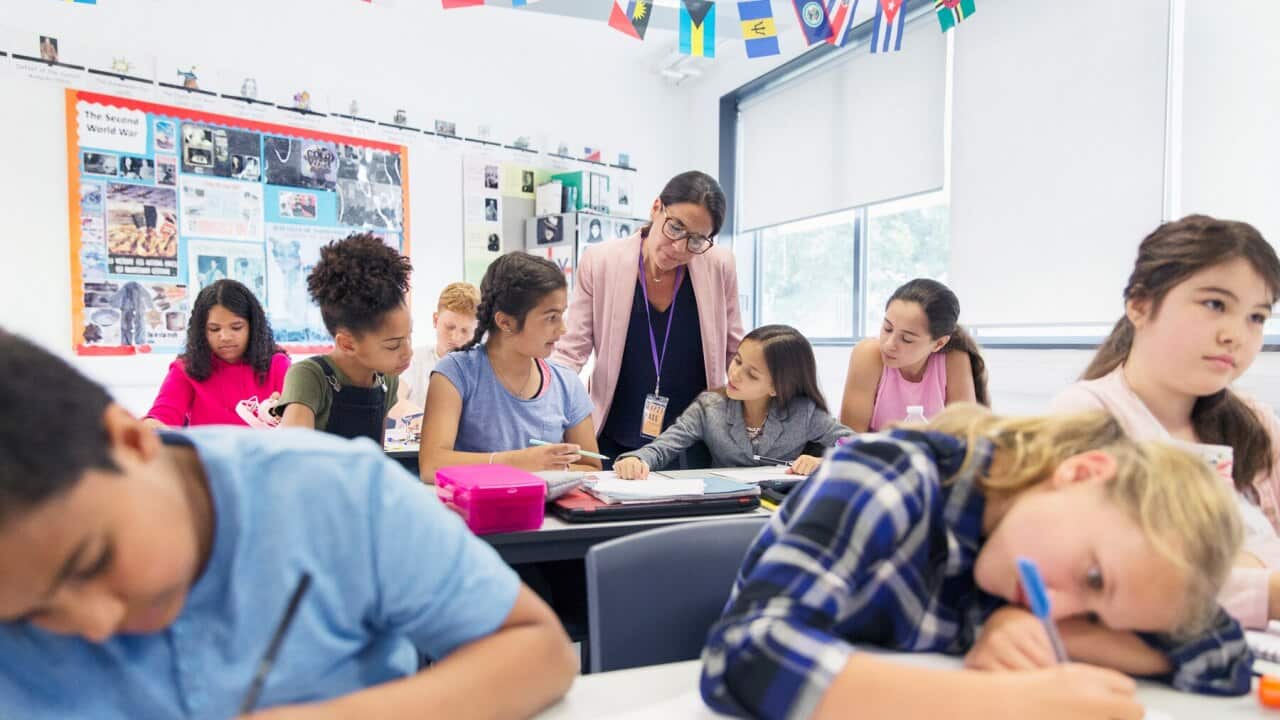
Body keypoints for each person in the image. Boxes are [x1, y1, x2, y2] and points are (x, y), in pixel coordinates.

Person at [0, 328, 577, 718]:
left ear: (130, 440)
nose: (94, 623)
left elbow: (535, 647)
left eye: (94, 561)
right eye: (28, 617)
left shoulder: (335, 495)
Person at [701, 405, 1252, 720]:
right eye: (1091, 578)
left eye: (1097, 616)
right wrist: (1013, 703)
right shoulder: (893, 473)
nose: (1060, 608)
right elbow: (746, 657)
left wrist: (1032, 626)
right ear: (1082, 473)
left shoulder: (1023, 557)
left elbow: (1223, 654)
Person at [1052, 214, 1280, 629]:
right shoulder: (1086, 417)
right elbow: (1096, 581)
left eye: (1257, 317)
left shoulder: (1258, 424)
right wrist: (1264, 591)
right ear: (1140, 305)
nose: (1237, 334)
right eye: (1215, 305)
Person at [552, 171, 744, 467]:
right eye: (676, 227)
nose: (680, 247)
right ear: (656, 208)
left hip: (693, 439)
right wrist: (537, 399)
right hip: (615, 432)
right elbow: (571, 350)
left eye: (696, 240)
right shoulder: (601, 261)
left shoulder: (719, 264)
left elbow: (736, 350)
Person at [419, 253, 600, 480]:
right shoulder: (455, 373)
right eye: (551, 317)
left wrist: (556, 467)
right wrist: (520, 463)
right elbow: (431, 465)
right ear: (505, 322)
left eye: (562, 315)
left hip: (546, 515)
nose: (562, 329)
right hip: (473, 513)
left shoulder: (566, 383)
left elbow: (592, 467)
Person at [614, 325, 852, 478]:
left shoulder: (804, 413)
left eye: (752, 374)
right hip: (725, 509)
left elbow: (858, 448)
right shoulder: (709, 407)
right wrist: (636, 460)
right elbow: (663, 448)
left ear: (777, 388)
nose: (735, 374)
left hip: (781, 513)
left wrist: (824, 462)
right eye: (737, 361)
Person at [276, 233, 412, 444]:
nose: (408, 352)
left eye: (408, 337)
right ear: (347, 343)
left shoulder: (386, 380)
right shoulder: (309, 377)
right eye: (393, 345)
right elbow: (295, 461)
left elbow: (377, 457)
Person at [841, 278, 988, 432]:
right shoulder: (868, 355)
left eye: (907, 339)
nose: (889, 344)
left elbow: (965, 434)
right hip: (871, 455)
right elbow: (851, 438)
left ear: (939, 343)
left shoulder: (953, 359)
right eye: (887, 328)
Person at [143, 279, 289, 429]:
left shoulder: (277, 364)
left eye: (236, 327)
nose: (225, 337)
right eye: (214, 329)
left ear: (253, 327)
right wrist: (151, 426)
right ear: (201, 331)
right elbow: (164, 414)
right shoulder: (187, 368)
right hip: (208, 452)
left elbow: (302, 427)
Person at [396, 282, 481, 410]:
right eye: (450, 327)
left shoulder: (482, 368)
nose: (456, 338)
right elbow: (395, 400)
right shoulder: (415, 360)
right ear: (436, 320)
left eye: (465, 331)